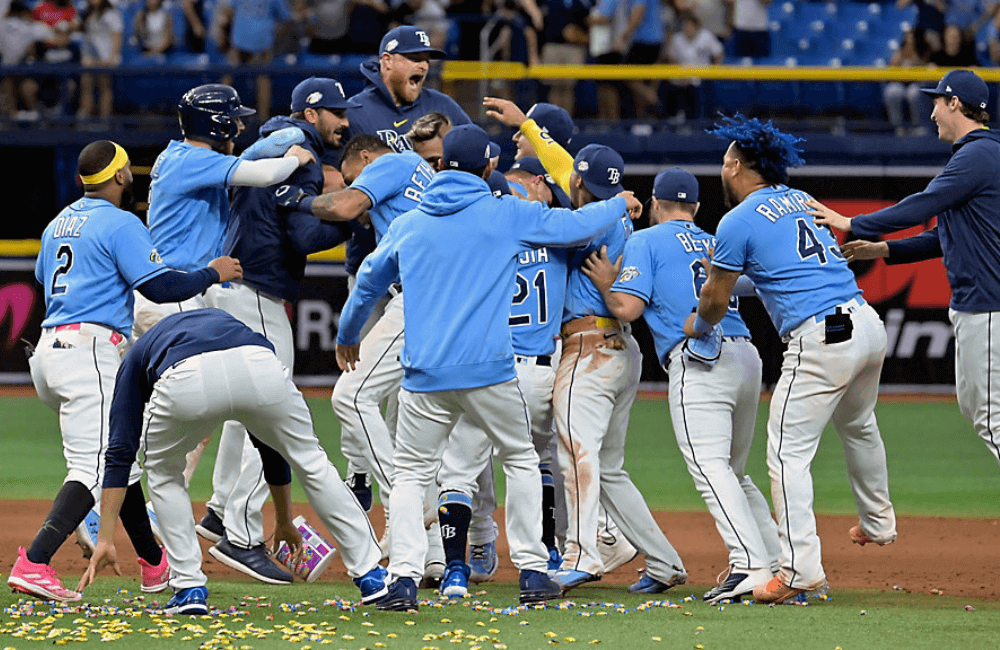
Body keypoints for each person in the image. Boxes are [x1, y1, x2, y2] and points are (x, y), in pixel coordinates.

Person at [336, 124, 643, 610]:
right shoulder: (505, 213)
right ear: (486, 169)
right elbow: (571, 227)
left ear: (440, 166)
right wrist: (618, 202)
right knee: (521, 459)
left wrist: (348, 333)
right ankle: (533, 571)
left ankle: (403, 579)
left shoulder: (411, 221)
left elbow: (370, 278)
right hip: (491, 372)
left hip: (426, 375)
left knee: (413, 473)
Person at [6, 140, 242, 603]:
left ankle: (155, 565)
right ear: (118, 177)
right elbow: (162, 286)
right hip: (88, 350)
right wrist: (212, 273)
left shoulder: (59, 222)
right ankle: (34, 562)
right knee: (94, 467)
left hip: (51, 352)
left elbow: (40, 276)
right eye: (128, 174)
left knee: (122, 460)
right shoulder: (120, 222)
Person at [689, 114, 897, 604]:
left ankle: (801, 570)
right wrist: (725, 275)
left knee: (786, 453)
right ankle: (879, 522)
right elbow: (775, 277)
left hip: (823, 335)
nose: (722, 169)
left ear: (737, 165)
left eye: (725, 162)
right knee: (860, 425)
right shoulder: (800, 199)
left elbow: (715, 305)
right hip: (865, 323)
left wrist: (701, 319)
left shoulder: (736, 219)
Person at [76, 309, 388, 615]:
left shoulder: (133, 358)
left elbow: (120, 453)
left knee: (164, 474)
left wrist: (105, 538)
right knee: (311, 460)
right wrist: (283, 519)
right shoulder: (219, 322)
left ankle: (189, 587)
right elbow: (270, 446)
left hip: (185, 378)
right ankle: (371, 574)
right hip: (259, 364)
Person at [581, 168, 781, 604]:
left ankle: (749, 564)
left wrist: (604, 284)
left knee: (711, 469)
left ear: (655, 204)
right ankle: (779, 564)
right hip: (746, 354)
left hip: (701, 360)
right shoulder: (712, 239)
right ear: (694, 207)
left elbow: (629, 309)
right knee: (735, 472)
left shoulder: (645, 241)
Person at [137, 83, 312, 561]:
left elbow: (252, 156)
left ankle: (207, 514)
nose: (238, 125)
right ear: (214, 124)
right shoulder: (194, 160)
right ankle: (116, 510)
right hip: (172, 298)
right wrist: (297, 156)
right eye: (232, 118)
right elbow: (264, 170)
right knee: (164, 425)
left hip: (178, 295)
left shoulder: (182, 157)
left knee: (199, 412)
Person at [809, 69, 1000, 474]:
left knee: (990, 417)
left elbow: (921, 205)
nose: (931, 113)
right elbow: (945, 236)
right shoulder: (985, 155)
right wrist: (885, 249)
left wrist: (852, 222)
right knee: (979, 410)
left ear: (954, 103)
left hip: (988, 307)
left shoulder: (977, 155)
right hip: (985, 305)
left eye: (936, 102)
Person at [203, 77, 354, 585]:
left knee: (236, 406)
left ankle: (221, 508)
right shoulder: (300, 152)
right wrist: (356, 214)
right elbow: (305, 233)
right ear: (311, 115)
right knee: (270, 408)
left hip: (236, 288)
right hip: (259, 292)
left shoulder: (274, 142)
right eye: (336, 113)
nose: (345, 122)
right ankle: (240, 534)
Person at [319, 133, 445, 584]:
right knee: (411, 426)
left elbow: (342, 207)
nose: (354, 184)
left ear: (366, 158)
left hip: (419, 301)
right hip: (448, 301)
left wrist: (300, 202)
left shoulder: (391, 164)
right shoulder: (423, 181)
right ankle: (432, 554)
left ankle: (401, 507)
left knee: (351, 397)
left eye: (352, 174)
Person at [77, 0, 122, 122]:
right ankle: (84, 120)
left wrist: (113, 57)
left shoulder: (111, 14)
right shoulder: (87, 13)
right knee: (86, 85)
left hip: (105, 56)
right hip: (90, 56)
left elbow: (117, 35)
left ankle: (104, 121)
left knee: (104, 88)